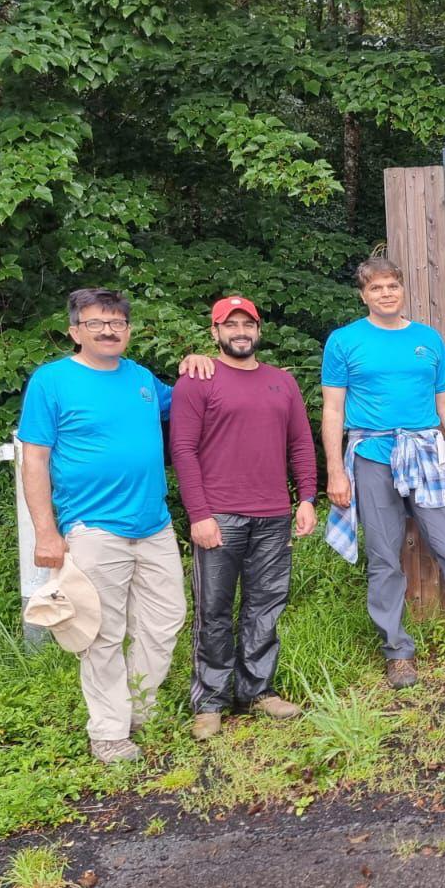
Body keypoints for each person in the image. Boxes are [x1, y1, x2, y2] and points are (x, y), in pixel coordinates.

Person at [322, 256, 445, 685]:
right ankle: (397, 652)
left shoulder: (427, 340)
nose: (385, 293)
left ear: (402, 289)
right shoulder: (344, 341)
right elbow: (333, 409)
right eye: (376, 288)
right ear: (363, 295)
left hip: (426, 452)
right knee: (384, 557)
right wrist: (336, 470)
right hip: (372, 455)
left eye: (392, 285)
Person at [19, 288, 187, 764]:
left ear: (128, 331)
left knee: (165, 620)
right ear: (75, 331)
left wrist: (199, 361)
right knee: (102, 632)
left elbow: (189, 404)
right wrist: (46, 533)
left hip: (153, 523)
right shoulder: (52, 381)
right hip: (92, 527)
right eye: (96, 323)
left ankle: (139, 709)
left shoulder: (141, 379)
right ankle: (109, 732)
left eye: (117, 323)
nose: (109, 330)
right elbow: (34, 459)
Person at [170, 296, 317, 740]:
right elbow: (183, 451)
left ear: (258, 330)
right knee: (213, 611)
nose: (239, 331)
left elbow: (301, 444)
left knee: (265, 606)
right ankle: (210, 702)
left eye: (246, 323)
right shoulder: (198, 380)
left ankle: (257, 691)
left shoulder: (281, 382)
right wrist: (199, 514)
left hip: (273, 514)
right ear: (214, 333)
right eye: (229, 324)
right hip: (219, 515)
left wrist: (306, 497)